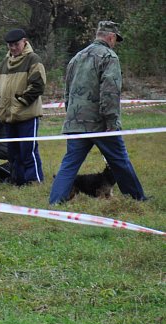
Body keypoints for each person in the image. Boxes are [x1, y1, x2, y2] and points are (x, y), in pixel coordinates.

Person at [48, 21, 147, 204]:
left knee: (69, 164)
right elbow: (110, 92)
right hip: (100, 124)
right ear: (111, 37)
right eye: (115, 40)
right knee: (120, 161)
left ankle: (55, 202)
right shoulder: (109, 57)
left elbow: (67, 92)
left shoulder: (76, 57)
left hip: (76, 121)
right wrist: (112, 122)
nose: (115, 43)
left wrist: (72, 116)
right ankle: (137, 199)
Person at [0, 29, 46, 185]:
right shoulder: (4, 63)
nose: (13, 48)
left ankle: (34, 180)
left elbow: (38, 85)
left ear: (24, 42)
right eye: (10, 45)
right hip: (8, 116)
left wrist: (20, 103)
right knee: (13, 152)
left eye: (16, 44)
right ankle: (18, 180)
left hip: (27, 115)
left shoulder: (33, 60)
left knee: (28, 150)